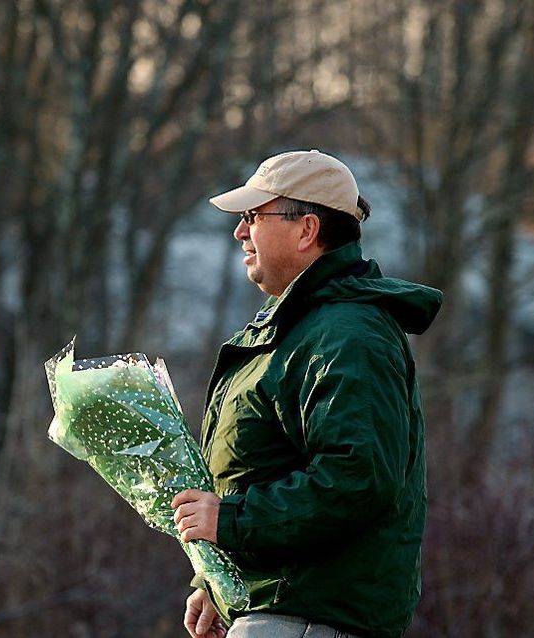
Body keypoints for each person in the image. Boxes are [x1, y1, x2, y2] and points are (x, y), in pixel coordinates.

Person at [171, 150, 443, 638]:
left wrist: (229, 522)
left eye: (253, 216)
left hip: (310, 622)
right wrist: (220, 581)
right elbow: (264, 467)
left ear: (307, 230)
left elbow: (356, 479)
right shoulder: (303, 328)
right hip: (283, 613)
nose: (239, 232)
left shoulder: (348, 334)